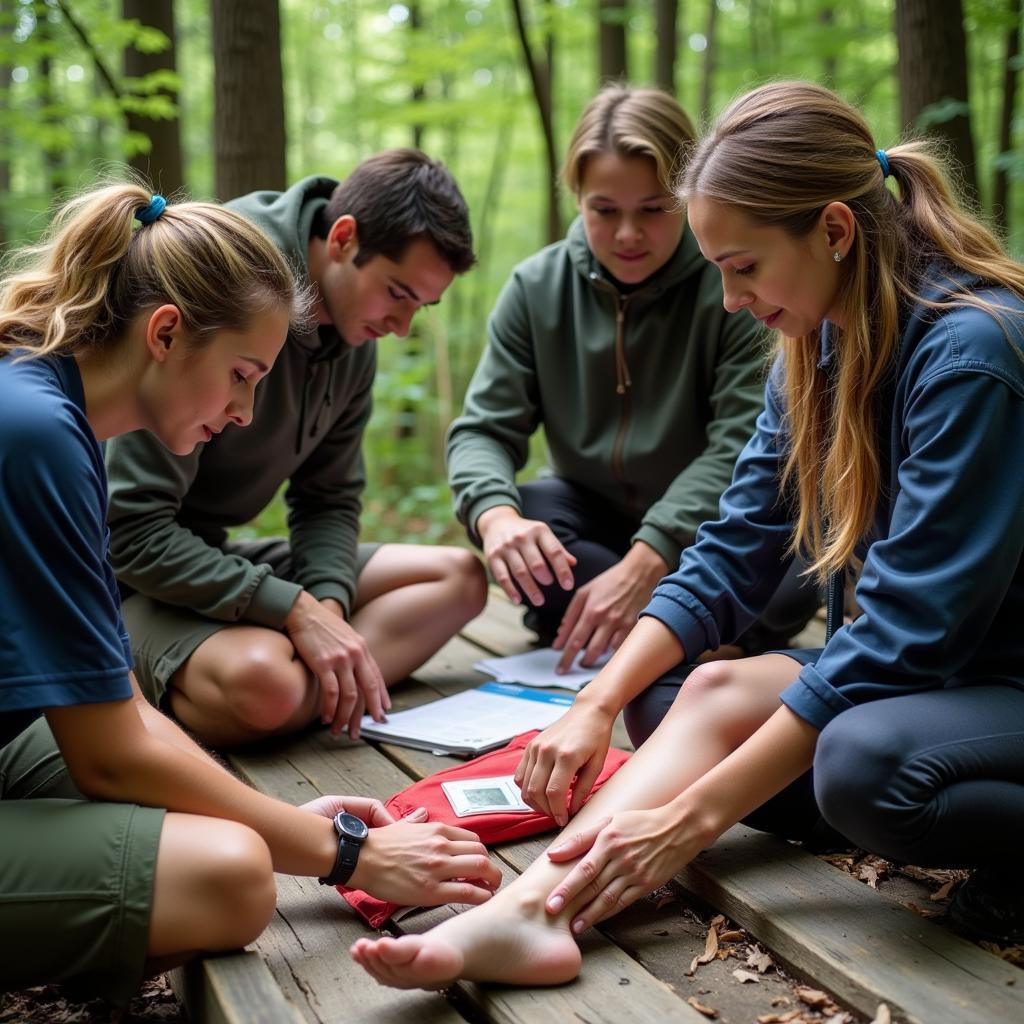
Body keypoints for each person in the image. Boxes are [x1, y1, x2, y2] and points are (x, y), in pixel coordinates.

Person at [350, 80, 1024, 990]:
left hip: (987, 684)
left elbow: (905, 633)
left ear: (834, 231)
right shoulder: (819, 345)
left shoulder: (973, 355)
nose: (732, 299)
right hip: (934, 680)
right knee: (686, 695)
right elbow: (732, 548)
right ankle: (533, 914)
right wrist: (592, 704)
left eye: (744, 266)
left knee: (865, 768)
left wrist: (693, 819)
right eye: (717, 270)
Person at [0, 182, 502, 1005]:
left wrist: (298, 824)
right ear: (165, 333)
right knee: (234, 877)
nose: (245, 412)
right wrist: (345, 854)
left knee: (220, 812)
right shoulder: (37, 436)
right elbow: (108, 751)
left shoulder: (55, 414)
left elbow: (119, 710)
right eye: (241, 375)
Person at [104, 150, 488, 748]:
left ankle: (310, 686)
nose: (402, 326)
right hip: (126, 579)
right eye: (397, 293)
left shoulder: (353, 337)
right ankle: (280, 692)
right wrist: (291, 609)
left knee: (459, 576)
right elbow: (127, 529)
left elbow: (328, 497)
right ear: (343, 237)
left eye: (421, 306)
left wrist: (327, 607)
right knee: (265, 681)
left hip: (209, 556)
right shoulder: (226, 288)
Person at [447, 85, 819, 675]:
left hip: (713, 526)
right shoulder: (535, 288)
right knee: (529, 507)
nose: (627, 235)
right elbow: (482, 432)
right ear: (576, 199)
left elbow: (742, 445)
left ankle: (651, 623)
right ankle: (687, 629)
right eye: (604, 210)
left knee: (804, 545)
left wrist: (652, 556)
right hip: (595, 526)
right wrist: (497, 517)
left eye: (652, 210)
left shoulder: (734, 282)